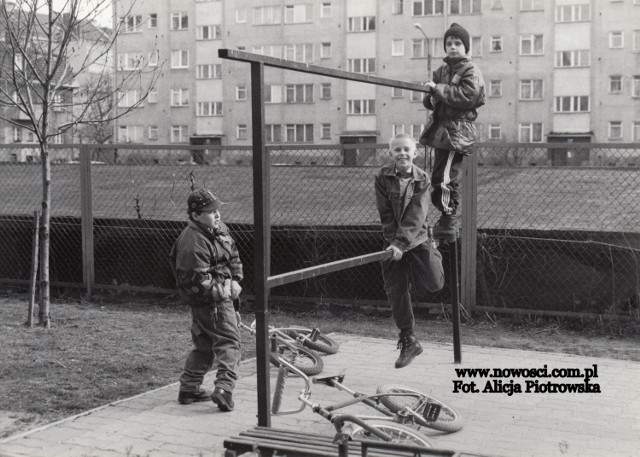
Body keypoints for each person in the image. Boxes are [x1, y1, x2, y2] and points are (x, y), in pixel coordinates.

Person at [374, 133, 445, 369]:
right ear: (391, 153)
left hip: (418, 238)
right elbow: (385, 213)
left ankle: (432, 255)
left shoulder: (422, 179)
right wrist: (393, 244)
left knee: (435, 283)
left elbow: (416, 216)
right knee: (395, 288)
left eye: (407, 150)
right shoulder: (382, 177)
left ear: (414, 153)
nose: (402, 154)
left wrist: (401, 244)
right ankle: (408, 338)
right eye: (397, 150)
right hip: (393, 241)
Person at [169, 188, 243, 411]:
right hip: (212, 303)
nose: (217, 214)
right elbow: (196, 284)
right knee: (230, 343)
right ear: (195, 216)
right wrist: (225, 291)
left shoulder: (217, 229)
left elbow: (234, 254)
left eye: (217, 209)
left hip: (217, 297)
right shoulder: (193, 242)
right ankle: (224, 389)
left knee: (204, 345)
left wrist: (236, 279)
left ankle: (189, 388)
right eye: (210, 211)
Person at [420, 23, 485, 242]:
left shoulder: (470, 70)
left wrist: (438, 90)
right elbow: (436, 101)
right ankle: (446, 218)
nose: (453, 47)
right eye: (449, 43)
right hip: (443, 130)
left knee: (444, 177)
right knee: (440, 175)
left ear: (466, 47)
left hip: (456, 131)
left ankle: (449, 219)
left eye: (458, 43)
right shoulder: (442, 71)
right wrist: (430, 97)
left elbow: (468, 96)